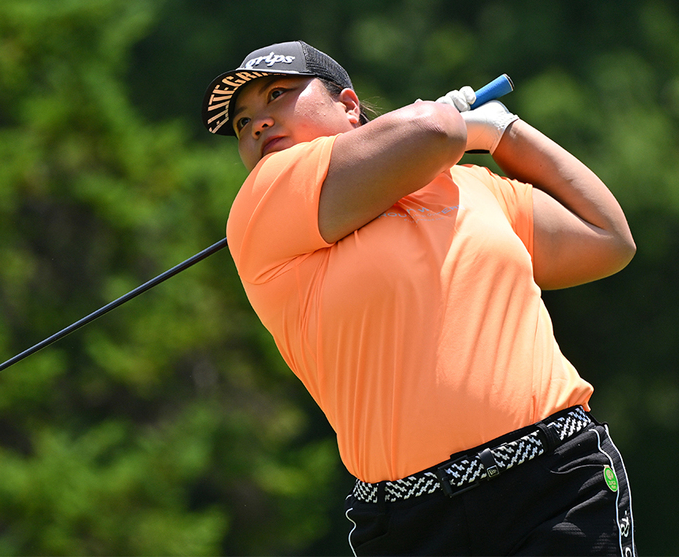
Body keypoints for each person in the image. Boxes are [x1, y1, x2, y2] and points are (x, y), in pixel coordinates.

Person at [201, 41, 637, 555]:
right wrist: (453, 126)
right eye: (241, 121)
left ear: (347, 104)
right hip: (410, 521)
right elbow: (434, 130)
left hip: (554, 482)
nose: (257, 123)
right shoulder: (263, 201)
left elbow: (607, 237)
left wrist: (505, 133)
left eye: (278, 94)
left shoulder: (472, 187)